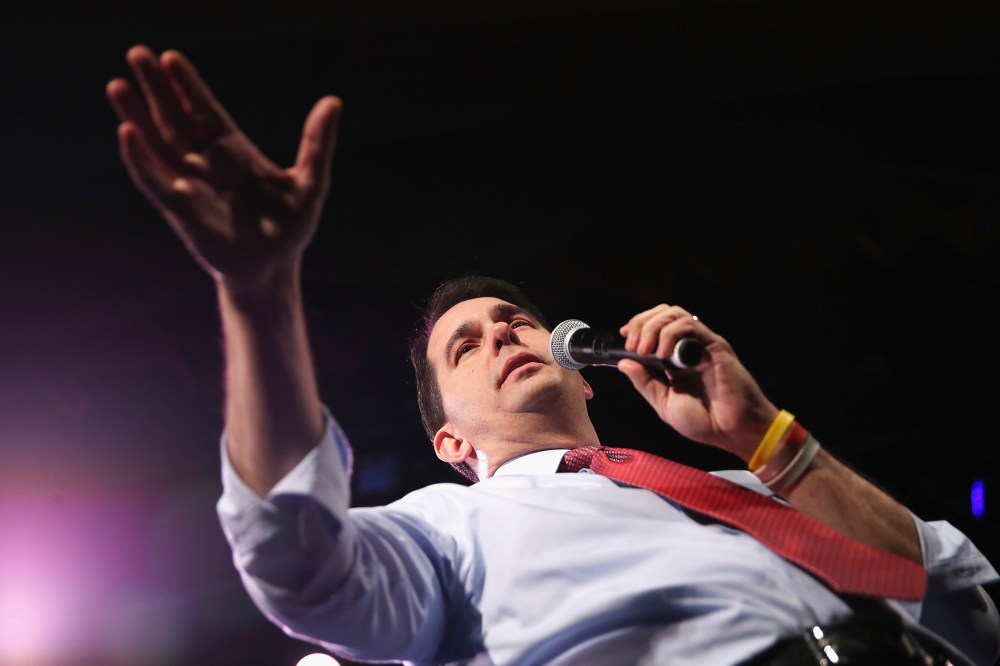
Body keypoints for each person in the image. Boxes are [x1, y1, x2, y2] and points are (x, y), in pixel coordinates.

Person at [106, 45, 1000, 665]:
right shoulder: (443, 533)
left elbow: (963, 607)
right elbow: (300, 564)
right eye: (467, 344)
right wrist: (259, 293)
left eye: (514, 321)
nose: (501, 332)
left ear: (581, 366)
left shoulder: (749, 491)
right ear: (451, 444)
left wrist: (766, 438)